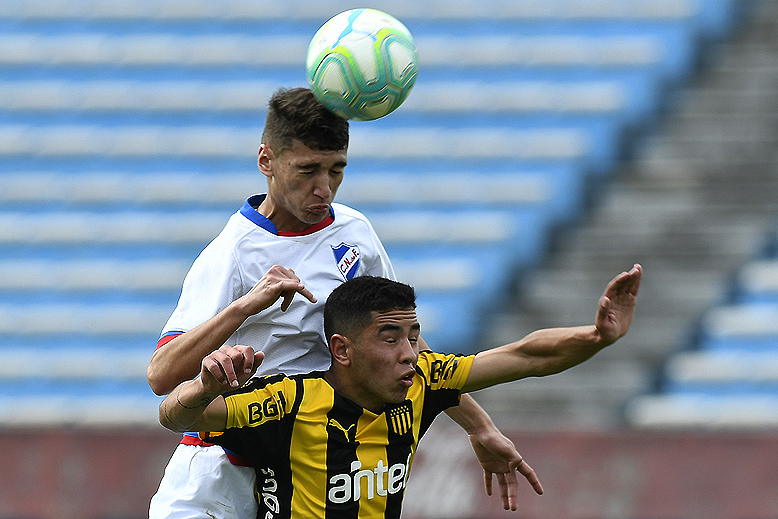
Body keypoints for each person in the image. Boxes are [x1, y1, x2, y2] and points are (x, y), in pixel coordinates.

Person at [146, 87, 541, 519]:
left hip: (307, 469)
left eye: (336, 170)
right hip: (220, 470)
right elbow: (162, 375)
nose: (324, 188)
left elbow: (406, 346)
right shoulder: (232, 254)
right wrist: (245, 306)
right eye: (308, 170)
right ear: (267, 162)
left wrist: (480, 427)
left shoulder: (356, 232)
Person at [159, 265, 642, 518]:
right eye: (390, 338)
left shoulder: (422, 383)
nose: (409, 353)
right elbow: (175, 416)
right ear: (342, 350)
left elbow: (525, 356)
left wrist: (596, 337)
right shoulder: (288, 401)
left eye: (413, 335)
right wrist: (205, 385)